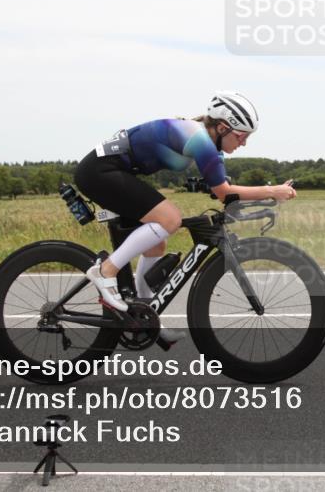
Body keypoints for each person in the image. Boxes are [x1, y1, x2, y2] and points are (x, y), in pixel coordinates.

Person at [73, 91, 297, 341]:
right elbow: (224, 193)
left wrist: (255, 193)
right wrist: (272, 191)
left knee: (157, 242)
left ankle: (146, 316)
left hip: (109, 171)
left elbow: (219, 184)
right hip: (99, 172)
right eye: (241, 136)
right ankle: (106, 271)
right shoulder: (200, 138)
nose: (243, 143)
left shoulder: (207, 140)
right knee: (170, 219)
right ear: (223, 128)